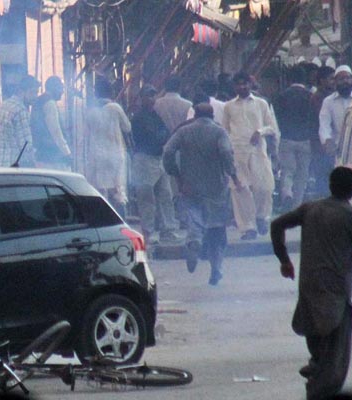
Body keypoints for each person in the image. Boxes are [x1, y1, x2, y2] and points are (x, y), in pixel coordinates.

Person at [270, 166, 352, 400]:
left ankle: (315, 377)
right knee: (335, 362)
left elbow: (276, 225)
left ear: (330, 185)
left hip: (309, 291)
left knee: (318, 350)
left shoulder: (311, 209)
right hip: (335, 297)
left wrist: (284, 260)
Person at [163, 103, 241, 285]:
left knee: (194, 220)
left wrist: (176, 174)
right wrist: (233, 175)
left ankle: (194, 241)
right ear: (213, 115)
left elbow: (168, 151)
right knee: (217, 229)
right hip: (216, 189)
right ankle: (216, 268)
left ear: (195, 115)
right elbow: (226, 153)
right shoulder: (219, 132)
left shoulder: (184, 131)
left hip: (190, 187)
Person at [223, 71, 280, 240]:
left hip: (258, 151)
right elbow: (225, 130)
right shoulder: (229, 106)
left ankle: (261, 217)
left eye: (245, 83)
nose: (242, 87)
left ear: (250, 84)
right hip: (237, 152)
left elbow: (272, 127)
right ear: (234, 87)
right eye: (239, 84)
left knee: (265, 187)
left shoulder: (262, 103)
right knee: (241, 189)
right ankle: (248, 227)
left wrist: (259, 132)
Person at [130, 84, 178, 243]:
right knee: (146, 198)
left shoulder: (156, 115)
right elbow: (150, 137)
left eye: (153, 95)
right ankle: (148, 232)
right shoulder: (138, 117)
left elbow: (165, 134)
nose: (151, 99)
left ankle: (168, 230)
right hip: (144, 159)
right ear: (142, 98)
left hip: (158, 159)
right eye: (148, 95)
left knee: (166, 195)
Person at [84, 78, 131, 216]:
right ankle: (120, 219)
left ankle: (103, 217)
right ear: (110, 92)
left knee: (101, 189)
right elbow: (127, 127)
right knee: (118, 189)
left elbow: (86, 134)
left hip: (97, 155)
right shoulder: (115, 108)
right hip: (115, 154)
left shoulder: (91, 112)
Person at [273, 65, 313, 211]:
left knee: (287, 170)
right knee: (302, 173)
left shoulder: (281, 96)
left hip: (287, 138)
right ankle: (297, 204)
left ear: (289, 79)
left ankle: (287, 193)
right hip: (305, 139)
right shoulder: (310, 96)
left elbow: (276, 117)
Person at [0, 75, 40, 167]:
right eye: (32, 92)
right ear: (22, 91)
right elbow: (26, 145)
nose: (35, 96)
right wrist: (35, 164)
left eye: (36, 93)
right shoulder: (21, 110)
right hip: (14, 166)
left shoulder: (4, 105)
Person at [318, 65, 352, 168]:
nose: (345, 81)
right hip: (339, 148)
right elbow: (324, 124)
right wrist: (327, 140)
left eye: (348, 78)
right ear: (335, 82)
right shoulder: (328, 101)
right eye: (342, 79)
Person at [30, 76, 72, 170]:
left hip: (42, 155)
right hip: (53, 157)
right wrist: (67, 153)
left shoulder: (38, 101)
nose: (62, 92)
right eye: (61, 88)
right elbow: (56, 132)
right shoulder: (49, 103)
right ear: (54, 87)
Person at [309, 66, 335, 197]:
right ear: (322, 80)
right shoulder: (318, 98)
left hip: (330, 146)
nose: (334, 81)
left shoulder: (332, 97)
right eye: (331, 79)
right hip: (320, 146)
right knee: (324, 181)